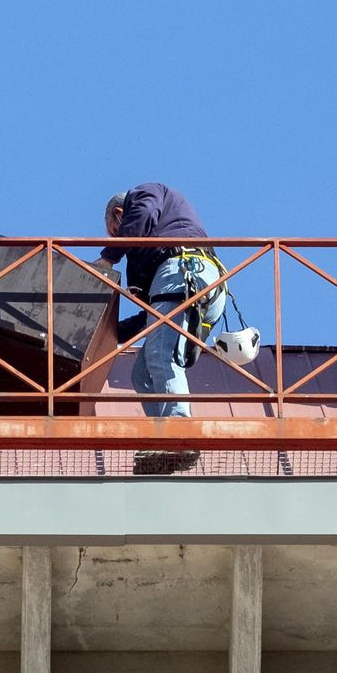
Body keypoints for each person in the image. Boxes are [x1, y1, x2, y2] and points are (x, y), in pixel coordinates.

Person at [93, 183, 227, 475]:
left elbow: (141, 216)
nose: (121, 239)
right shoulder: (155, 256)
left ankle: (178, 433)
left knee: (161, 357)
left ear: (119, 214)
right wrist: (107, 334)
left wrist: (108, 257)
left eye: (117, 231)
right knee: (141, 373)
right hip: (192, 284)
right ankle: (163, 439)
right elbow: (152, 317)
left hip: (185, 269)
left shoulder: (144, 194)